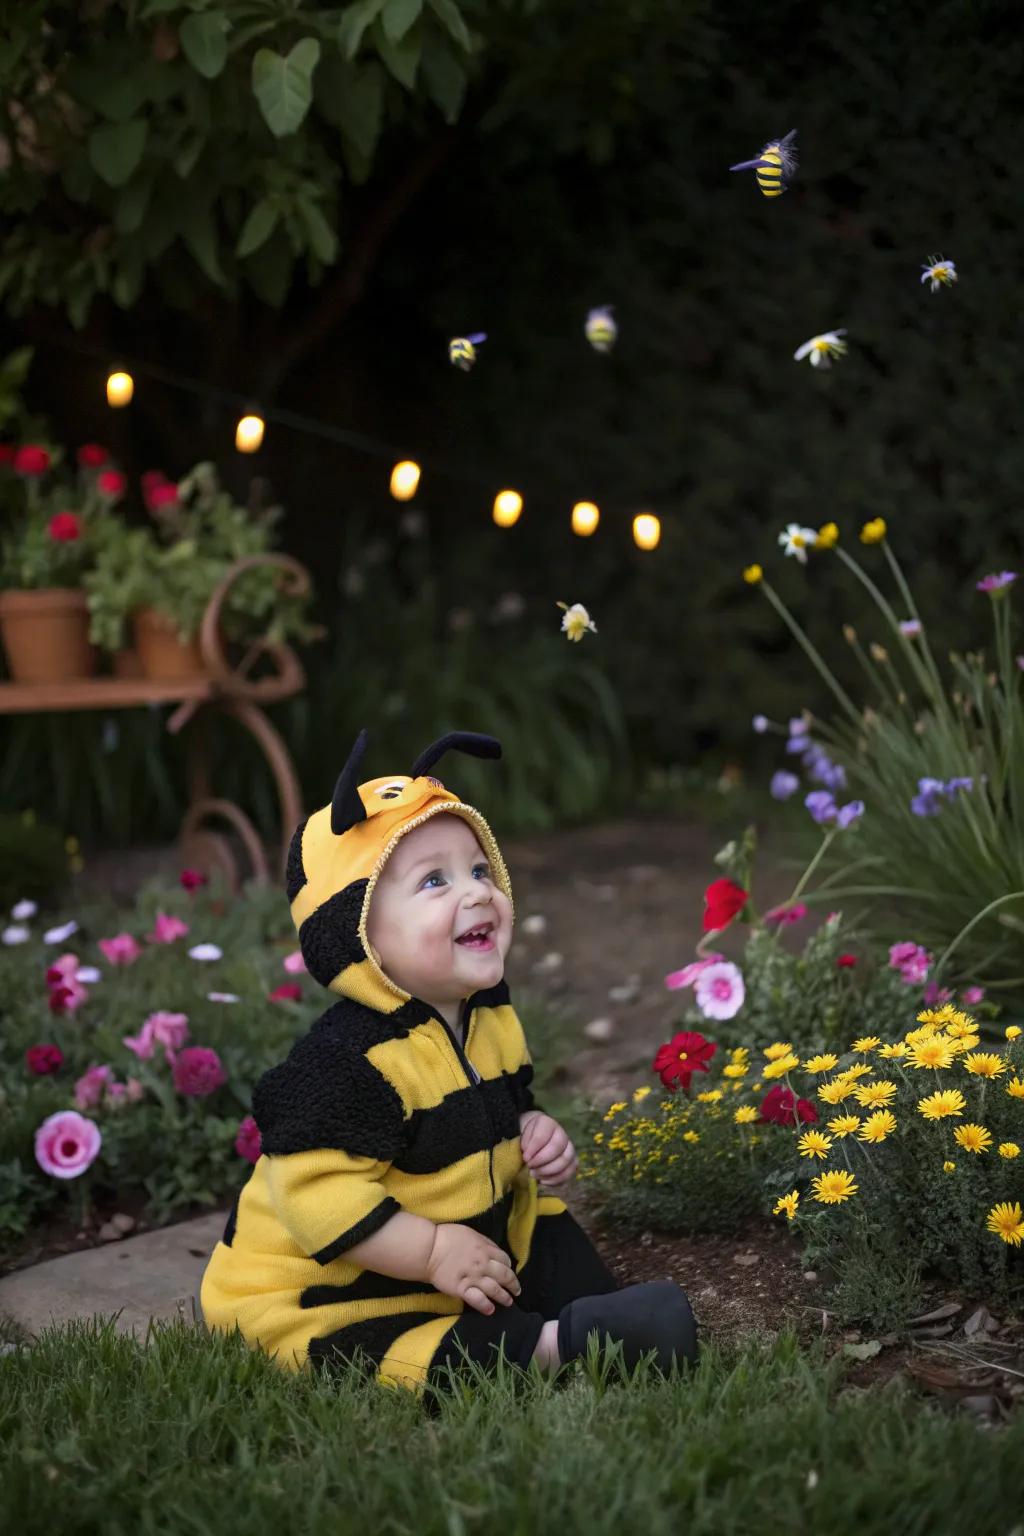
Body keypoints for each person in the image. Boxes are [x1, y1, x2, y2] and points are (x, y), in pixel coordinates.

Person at [200, 729, 697, 1395]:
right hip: (336, 1283)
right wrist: (432, 1251)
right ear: (359, 934)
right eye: (434, 880)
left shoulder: (485, 1012)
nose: (475, 893)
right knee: (401, 1354)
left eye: (479, 869)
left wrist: (531, 1130)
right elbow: (315, 1196)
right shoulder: (344, 1065)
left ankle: (586, 1307)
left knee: (544, 1227)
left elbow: (503, 1101)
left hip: (464, 1231)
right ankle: (558, 1347)